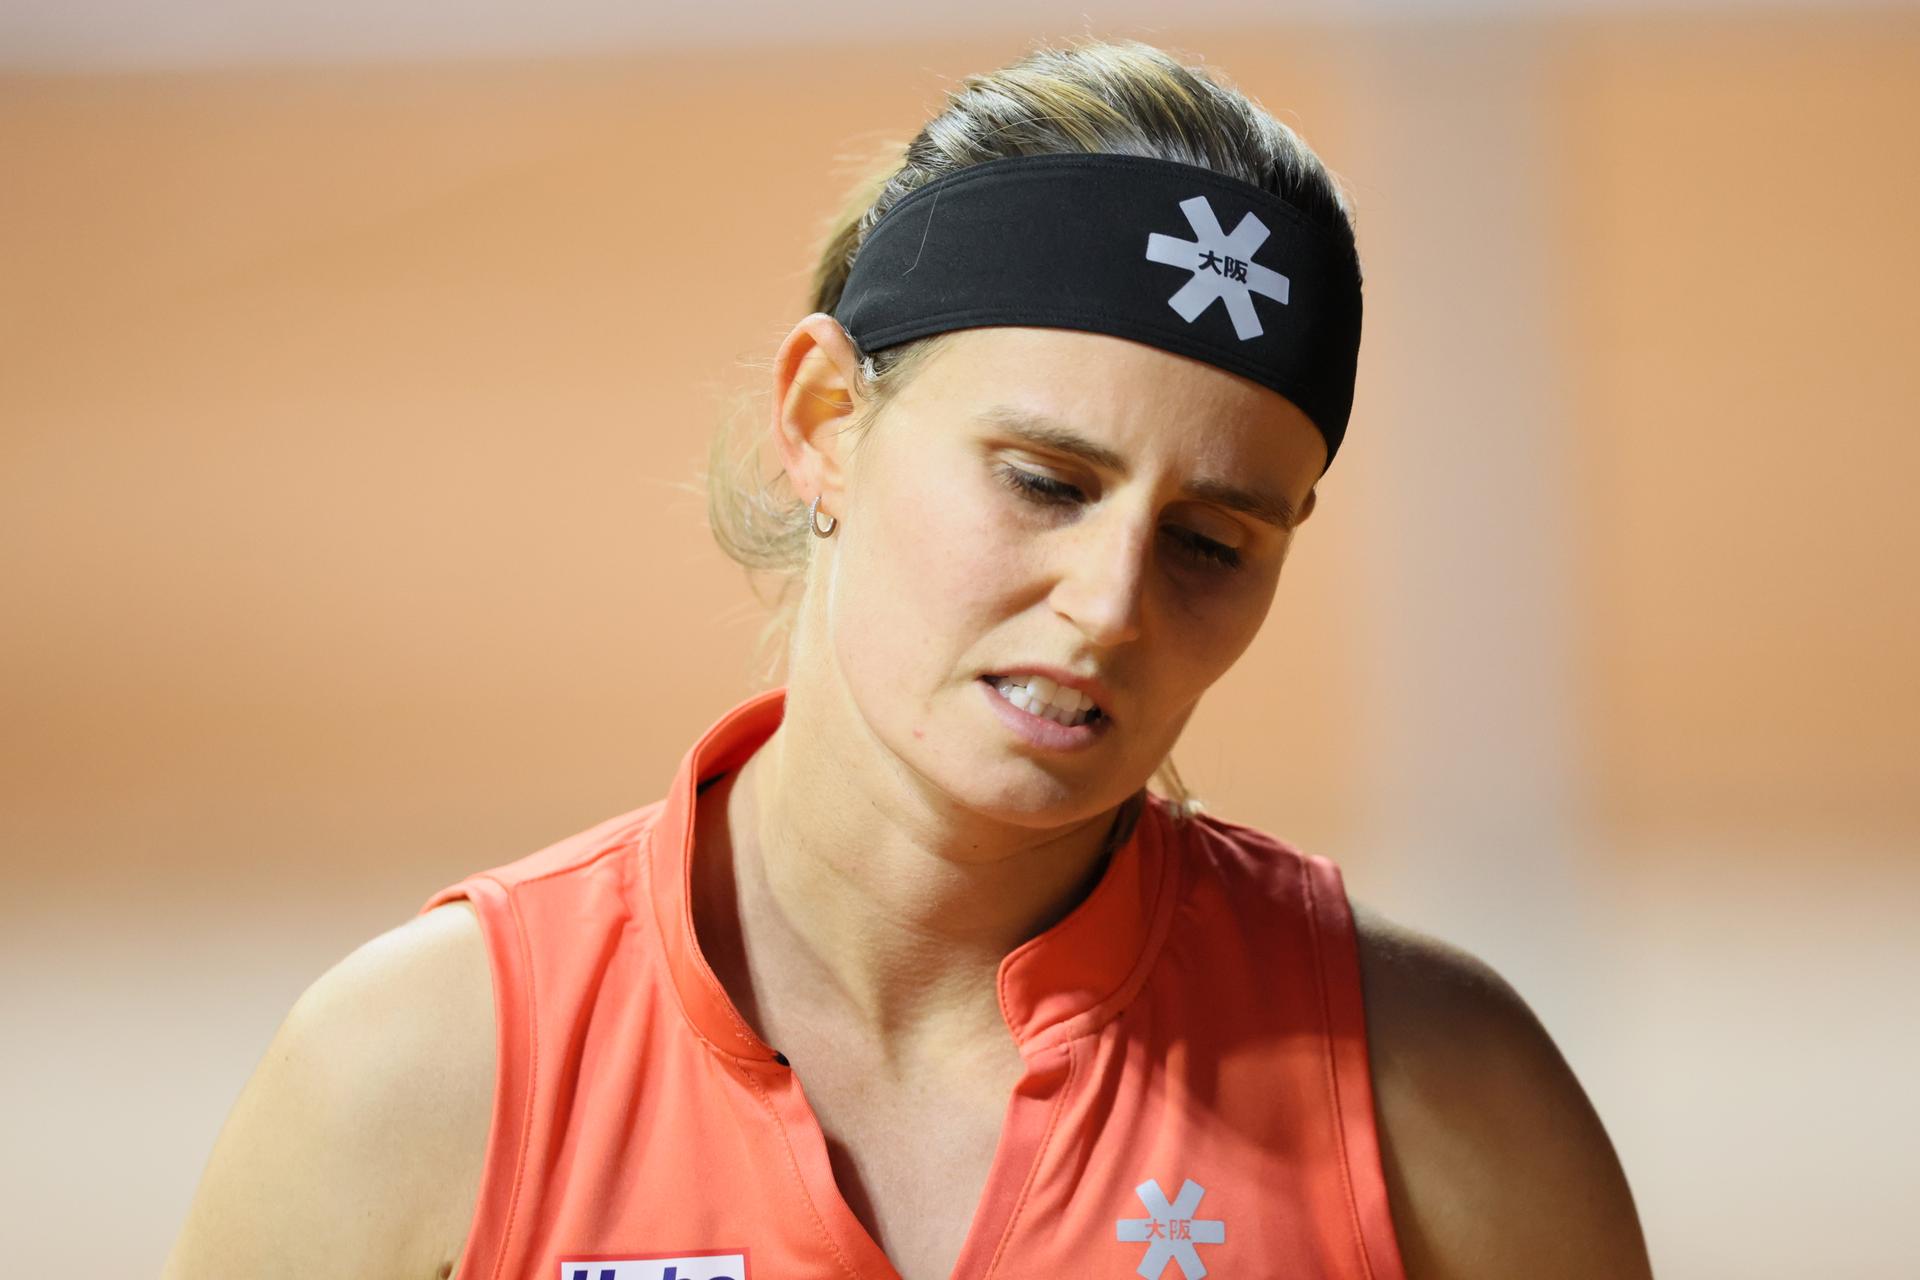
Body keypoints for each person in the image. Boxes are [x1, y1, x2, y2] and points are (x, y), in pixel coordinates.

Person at [164, 38, 1653, 1280]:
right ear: (822, 422)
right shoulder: (423, 1078)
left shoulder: (1441, 1097)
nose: (1109, 604)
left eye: (1212, 541)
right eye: (1045, 481)